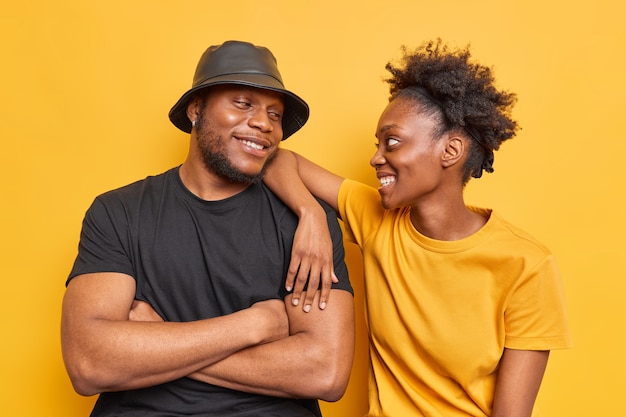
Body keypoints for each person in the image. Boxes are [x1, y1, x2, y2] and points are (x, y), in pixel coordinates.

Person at [263, 39, 572, 417]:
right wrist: (310, 213)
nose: (376, 158)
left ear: (451, 151)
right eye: (377, 144)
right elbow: (277, 159)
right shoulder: (375, 217)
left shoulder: (526, 265)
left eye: (391, 142)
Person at [61, 40, 355, 417]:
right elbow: (90, 363)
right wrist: (256, 324)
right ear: (196, 109)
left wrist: (158, 345)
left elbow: (324, 372)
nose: (264, 123)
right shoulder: (118, 212)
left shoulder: (306, 226)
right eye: (243, 103)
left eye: (275, 114)